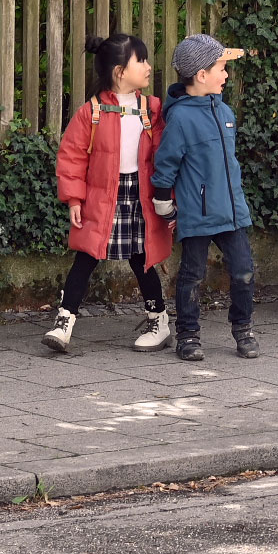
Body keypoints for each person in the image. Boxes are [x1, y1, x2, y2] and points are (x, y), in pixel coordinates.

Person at [44, 33, 174, 354]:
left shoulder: (153, 109)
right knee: (86, 256)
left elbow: (167, 154)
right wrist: (74, 198)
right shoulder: (92, 112)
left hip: (139, 197)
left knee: (141, 259)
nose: (147, 66)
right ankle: (64, 322)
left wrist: (169, 198)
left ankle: (159, 320)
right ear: (119, 72)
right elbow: (72, 156)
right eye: (140, 60)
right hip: (102, 196)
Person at [150, 33, 258, 363]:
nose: (226, 75)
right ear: (201, 75)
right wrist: (162, 201)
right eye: (221, 68)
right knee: (192, 276)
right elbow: (166, 163)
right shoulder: (181, 118)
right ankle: (188, 334)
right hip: (197, 213)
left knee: (244, 271)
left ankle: (243, 328)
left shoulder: (224, 111)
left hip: (231, 211)